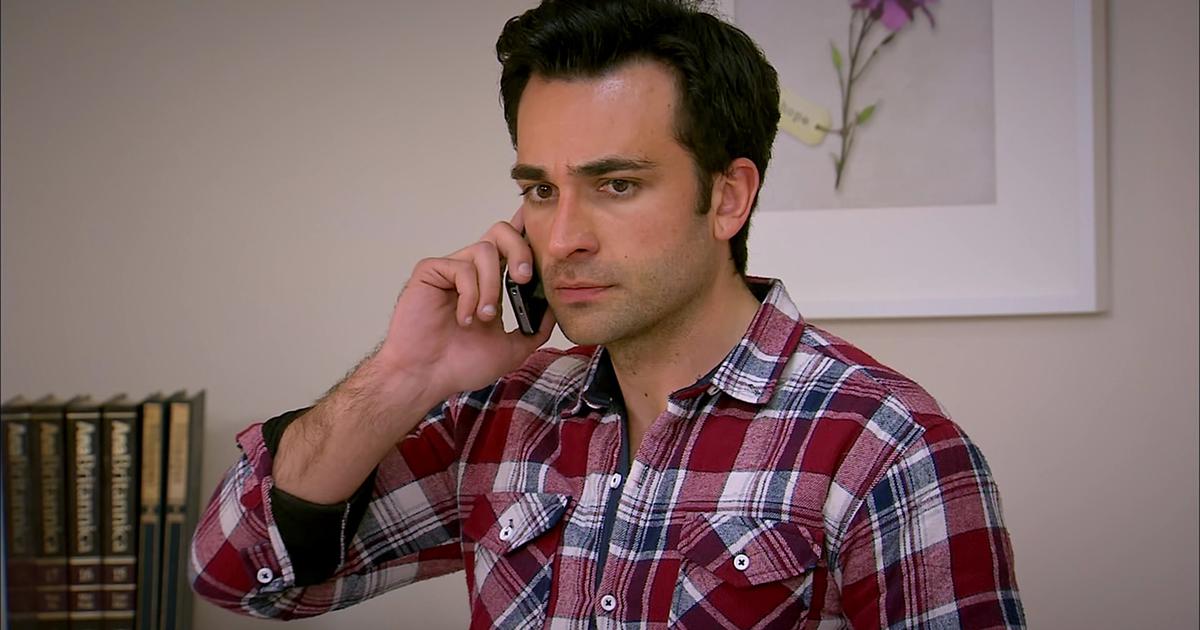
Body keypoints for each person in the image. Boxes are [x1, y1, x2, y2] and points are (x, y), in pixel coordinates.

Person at [189, 1, 1024, 627]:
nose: (562, 238)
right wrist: (404, 375)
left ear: (727, 197)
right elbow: (240, 574)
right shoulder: (502, 416)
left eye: (616, 185)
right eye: (540, 190)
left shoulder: (886, 448)